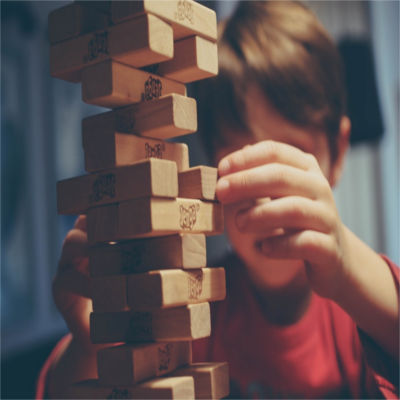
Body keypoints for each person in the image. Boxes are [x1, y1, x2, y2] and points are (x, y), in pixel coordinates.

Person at [37, 1, 399, 399]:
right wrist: (93, 348)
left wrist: (347, 264)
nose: (265, 195)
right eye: (242, 160)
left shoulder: (363, 314)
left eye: (290, 158)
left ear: (338, 153)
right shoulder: (188, 310)